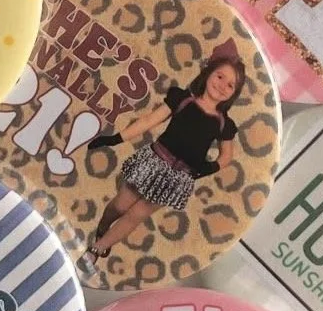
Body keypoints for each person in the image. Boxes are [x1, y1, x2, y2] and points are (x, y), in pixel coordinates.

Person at [85, 43, 245, 257]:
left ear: (234, 93)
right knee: (120, 206)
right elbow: (149, 121)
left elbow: (226, 156)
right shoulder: (182, 99)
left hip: (178, 178)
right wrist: (116, 139)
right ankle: (104, 227)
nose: (223, 85)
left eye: (231, 85)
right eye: (220, 76)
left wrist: (207, 168)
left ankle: (97, 249)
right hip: (154, 161)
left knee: (136, 215)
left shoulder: (224, 124)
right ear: (208, 72)